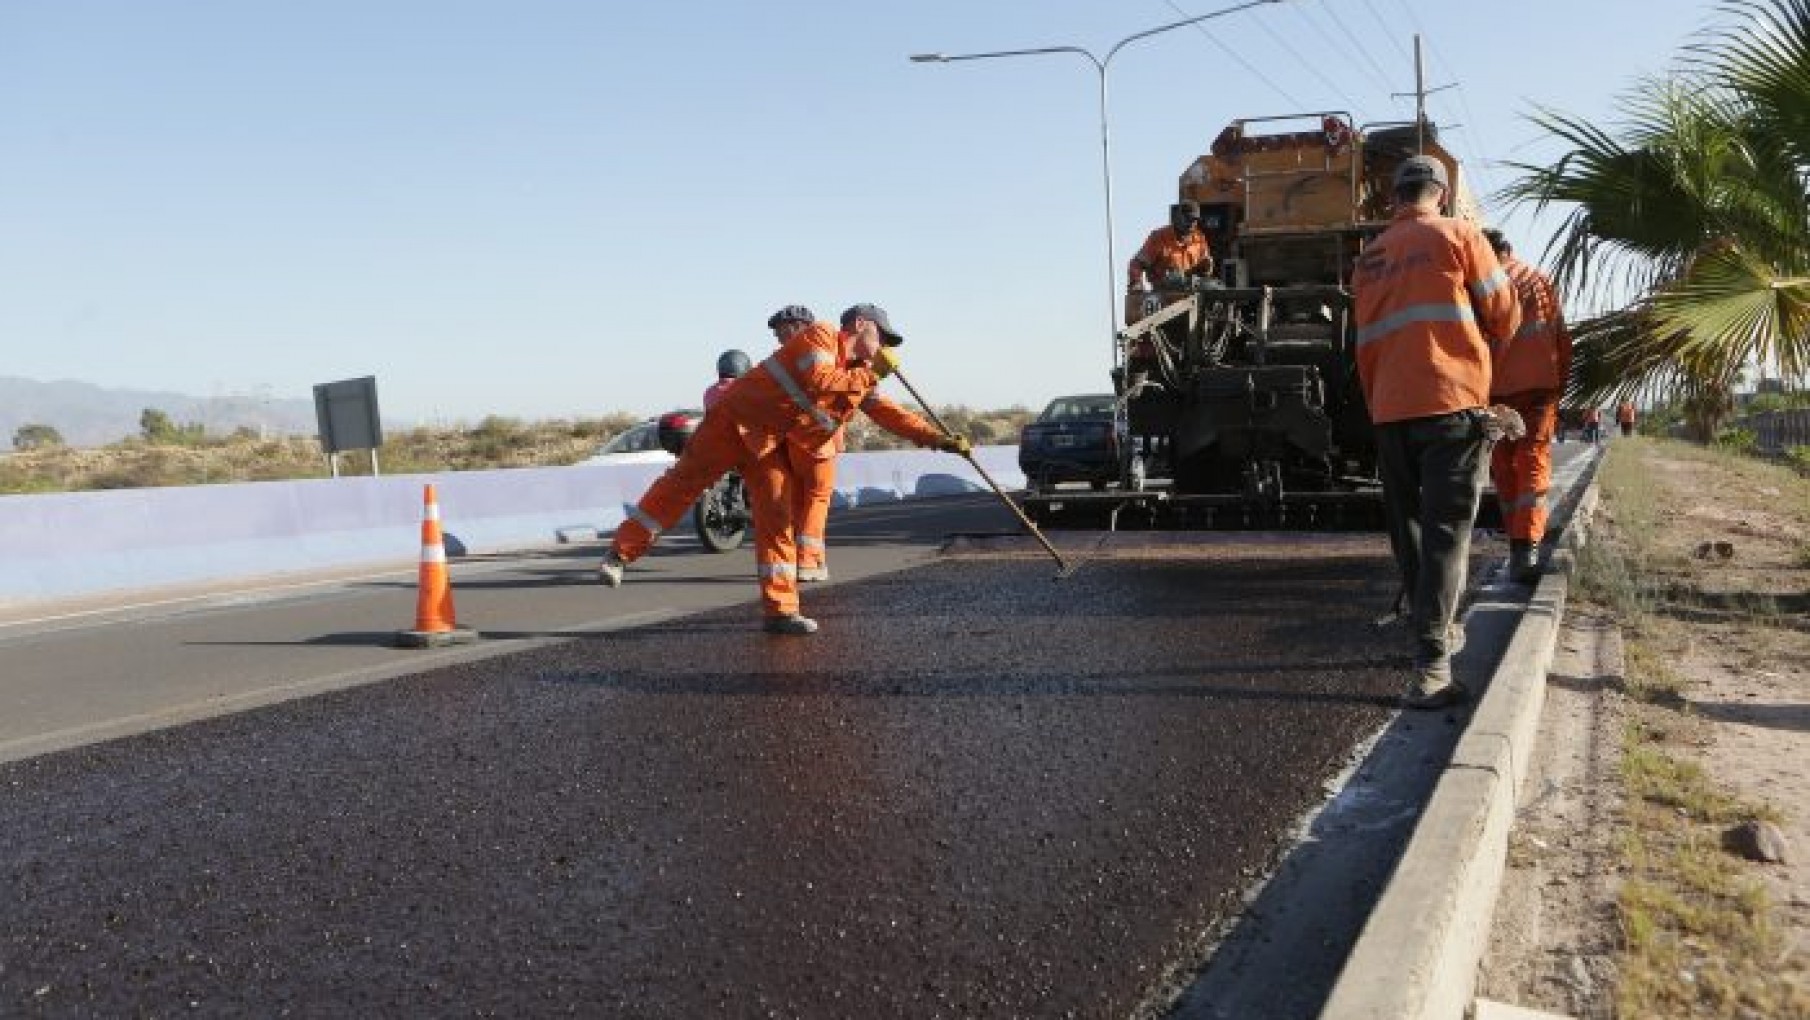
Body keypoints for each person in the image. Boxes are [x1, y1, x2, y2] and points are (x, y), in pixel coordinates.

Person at [596, 304, 967, 635]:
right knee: (684, 484)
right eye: (882, 336)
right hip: (732, 421)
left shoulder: (858, 373)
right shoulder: (820, 336)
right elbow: (819, 380)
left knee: (777, 514)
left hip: (767, 441)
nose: (885, 346)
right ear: (860, 324)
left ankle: (780, 611)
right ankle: (620, 553)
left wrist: (939, 439)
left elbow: (891, 415)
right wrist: (871, 376)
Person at [1352, 155, 1522, 709]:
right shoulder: (1459, 235)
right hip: (1451, 404)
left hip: (1389, 410)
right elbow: (1503, 315)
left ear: (1395, 199)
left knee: (1412, 534)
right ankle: (1431, 667)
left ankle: (1436, 633)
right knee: (1447, 534)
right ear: (1441, 196)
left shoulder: (1369, 257)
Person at [1482, 229, 1572, 585]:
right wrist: (1557, 387)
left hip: (1496, 394)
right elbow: (1562, 339)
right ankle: (1525, 549)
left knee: (1504, 467)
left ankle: (1518, 545)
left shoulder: (1483, 286)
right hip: (1537, 391)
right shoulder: (1539, 280)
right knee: (1532, 463)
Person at [1125, 201, 1214, 324]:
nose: (1191, 224)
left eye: (1194, 220)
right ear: (1177, 218)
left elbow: (1205, 270)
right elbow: (1136, 264)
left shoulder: (1199, 239)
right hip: (1164, 298)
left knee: (1214, 289)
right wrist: (1136, 284)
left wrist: (1206, 267)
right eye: (1187, 219)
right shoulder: (1159, 237)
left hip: (1191, 297)